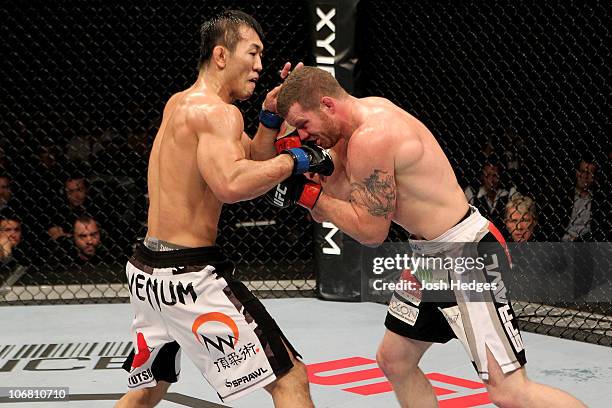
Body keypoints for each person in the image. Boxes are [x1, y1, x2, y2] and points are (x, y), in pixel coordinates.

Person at [272, 66, 585, 407]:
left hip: (467, 256)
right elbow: (333, 199)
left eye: (304, 125)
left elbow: (371, 231)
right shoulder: (358, 122)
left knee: (509, 390)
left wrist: (308, 195)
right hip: (431, 259)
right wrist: (302, 166)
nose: (303, 135)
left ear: (328, 105)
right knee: (395, 360)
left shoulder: (371, 138)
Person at [114, 10, 333, 408]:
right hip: (189, 275)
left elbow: (246, 159)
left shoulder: (182, 103)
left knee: (150, 387)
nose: (259, 65)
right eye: (252, 53)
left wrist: (270, 118)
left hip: (145, 271)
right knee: (290, 379)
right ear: (220, 55)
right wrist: (299, 159)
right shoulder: (219, 113)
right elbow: (231, 184)